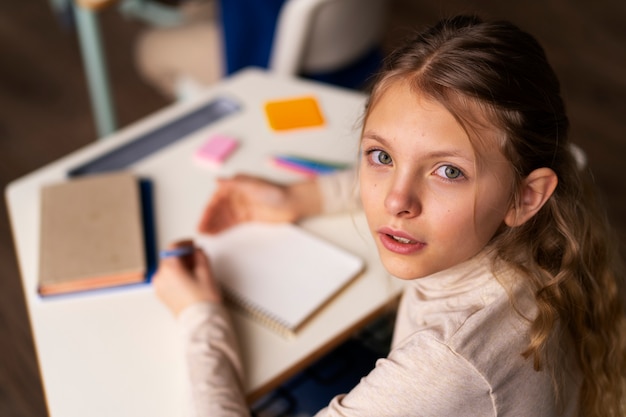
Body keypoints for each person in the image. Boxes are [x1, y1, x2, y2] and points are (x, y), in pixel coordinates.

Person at [152, 15, 626, 416]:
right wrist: (302, 197)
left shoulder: (448, 365)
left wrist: (200, 318)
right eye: (381, 157)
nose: (397, 201)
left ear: (526, 197)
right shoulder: (545, 228)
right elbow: (403, 181)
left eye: (447, 171)